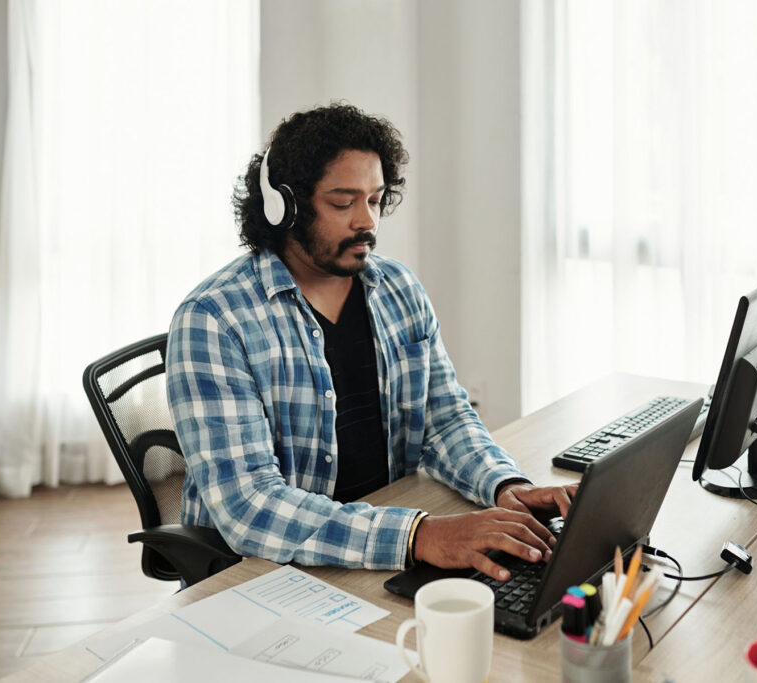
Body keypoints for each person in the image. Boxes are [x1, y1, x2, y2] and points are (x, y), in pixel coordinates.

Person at [166, 103, 577, 581]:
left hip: (380, 542)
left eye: (376, 200)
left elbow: (443, 419)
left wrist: (504, 484)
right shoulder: (215, 320)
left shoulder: (398, 290)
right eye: (343, 203)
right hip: (267, 569)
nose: (368, 222)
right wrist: (422, 536)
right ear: (285, 208)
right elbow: (250, 507)